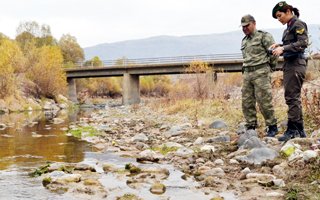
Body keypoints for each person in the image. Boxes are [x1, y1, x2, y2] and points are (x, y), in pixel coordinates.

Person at [270, 1, 308, 142]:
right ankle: (299, 129)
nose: (279, 19)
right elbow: (291, 43)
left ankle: (293, 130)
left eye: (280, 16)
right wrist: (279, 45)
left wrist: (283, 49)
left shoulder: (298, 24)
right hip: (290, 64)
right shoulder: (288, 28)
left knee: (292, 97)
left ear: (288, 11)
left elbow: (303, 43)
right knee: (291, 97)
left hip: (296, 64)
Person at [240, 14, 278, 137]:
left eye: (247, 26)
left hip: (261, 72)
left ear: (254, 23)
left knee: (264, 101)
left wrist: (269, 68)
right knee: (247, 102)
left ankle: (272, 126)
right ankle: (251, 126)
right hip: (247, 73)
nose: (245, 28)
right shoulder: (244, 40)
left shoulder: (264, 36)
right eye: (243, 27)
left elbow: (273, 53)